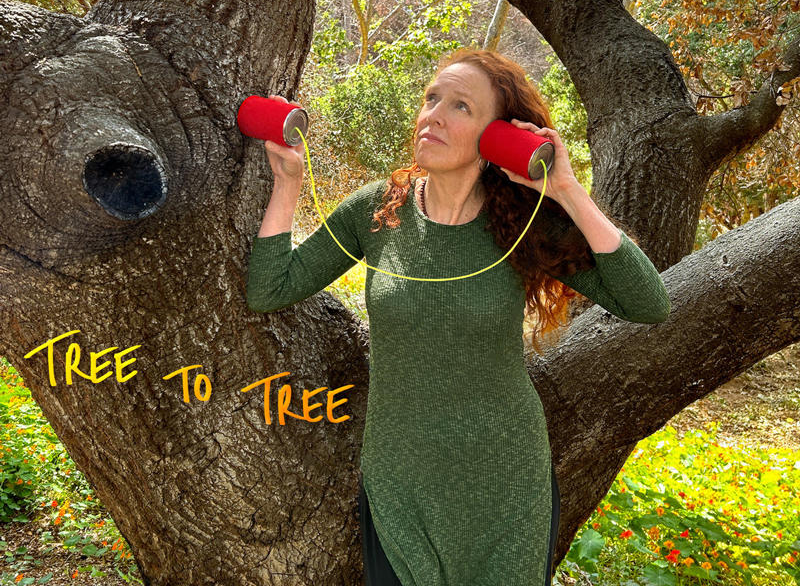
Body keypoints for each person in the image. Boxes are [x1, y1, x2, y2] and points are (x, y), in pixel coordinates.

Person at [246, 48, 671, 586]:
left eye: (461, 107)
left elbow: (649, 303)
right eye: (431, 99)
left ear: (497, 138)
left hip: (506, 485)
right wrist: (288, 182)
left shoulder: (525, 224)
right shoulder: (379, 209)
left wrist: (565, 189)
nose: (434, 116)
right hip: (401, 484)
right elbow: (270, 288)